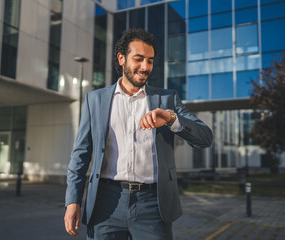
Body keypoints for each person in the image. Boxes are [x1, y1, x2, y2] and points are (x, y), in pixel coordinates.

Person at [64, 28, 213, 239]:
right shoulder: (95, 100)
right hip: (105, 203)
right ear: (121, 59)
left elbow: (205, 138)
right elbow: (80, 154)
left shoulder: (167, 100)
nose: (145, 67)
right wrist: (73, 201)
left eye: (150, 61)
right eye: (139, 59)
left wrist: (171, 118)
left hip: (153, 205)